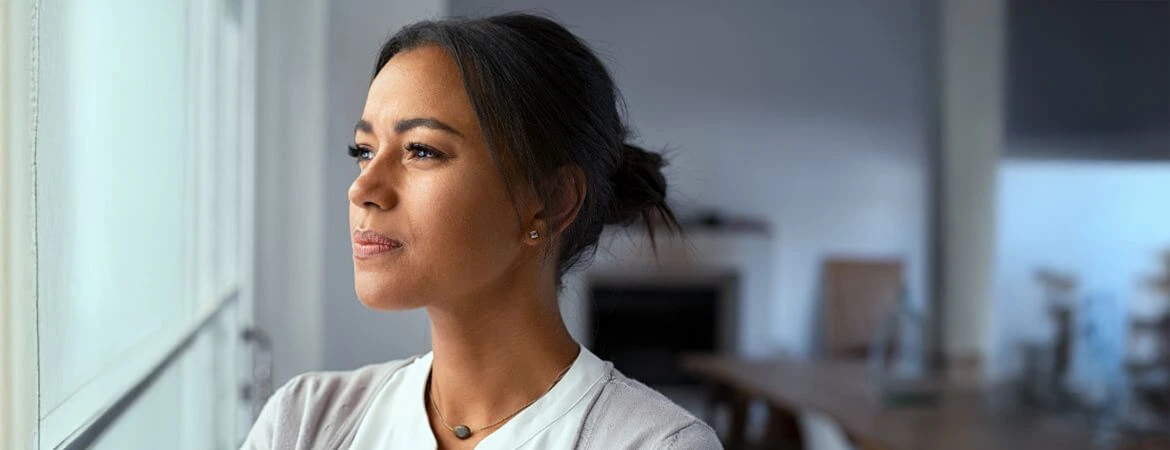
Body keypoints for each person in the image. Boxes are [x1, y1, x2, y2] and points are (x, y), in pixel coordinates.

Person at [242, 13, 720, 450]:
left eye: (421, 150)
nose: (363, 188)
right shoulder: (304, 421)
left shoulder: (656, 444)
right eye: (364, 151)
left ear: (550, 202)